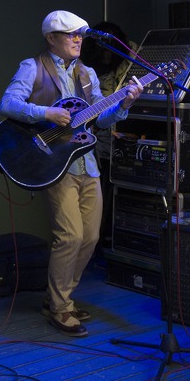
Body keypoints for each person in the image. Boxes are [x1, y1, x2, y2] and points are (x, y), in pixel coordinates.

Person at [0, 10, 142, 336]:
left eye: (80, 34)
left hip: (86, 162)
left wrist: (124, 105)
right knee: (70, 236)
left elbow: (101, 118)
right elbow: (8, 104)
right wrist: (46, 113)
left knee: (90, 237)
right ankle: (61, 307)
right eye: (70, 34)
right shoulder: (32, 67)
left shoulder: (87, 73)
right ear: (51, 38)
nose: (78, 40)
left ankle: (57, 297)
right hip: (54, 163)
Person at [78, 21, 136, 257]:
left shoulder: (125, 60)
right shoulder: (86, 69)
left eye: (109, 47)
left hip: (117, 131)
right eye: (102, 48)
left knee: (111, 195)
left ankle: (108, 243)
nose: (106, 53)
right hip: (94, 142)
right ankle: (98, 248)